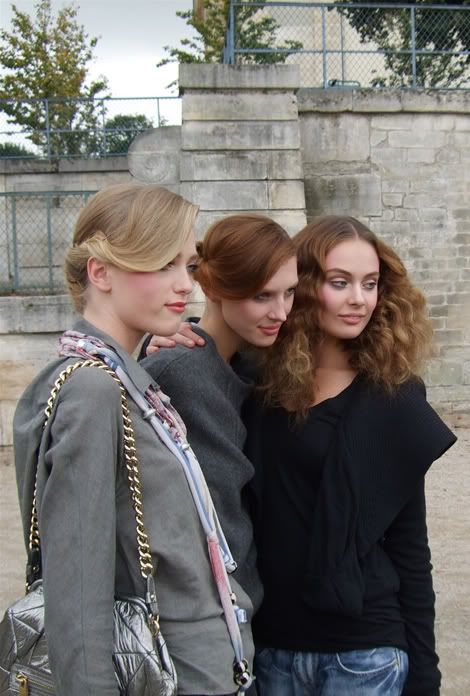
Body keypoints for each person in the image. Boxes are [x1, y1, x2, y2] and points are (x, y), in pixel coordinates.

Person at [13, 182, 255, 696]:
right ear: (100, 272)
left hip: (193, 659)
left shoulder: (122, 378)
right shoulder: (93, 390)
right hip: (170, 669)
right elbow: (77, 588)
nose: (183, 285)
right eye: (162, 263)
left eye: (187, 265)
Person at [242, 215, 457, 696]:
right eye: (340, 283)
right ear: (304, 285)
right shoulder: (255, 383)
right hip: (269, 649)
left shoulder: (392, 399)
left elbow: (409, 548)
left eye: (371, 284)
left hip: (364, 654)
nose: (359, 298)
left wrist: (425, 677)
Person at [140, 213, 298, 626]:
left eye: (289, 293)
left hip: (241, 613)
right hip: (207, 620)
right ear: (210, 287)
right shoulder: (178, 372)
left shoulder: (248, 365)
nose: (281, 312)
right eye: (262, 296)